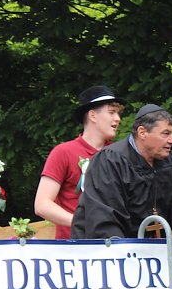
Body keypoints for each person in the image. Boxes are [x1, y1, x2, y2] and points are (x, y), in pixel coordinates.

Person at [70, 104, 172, 239]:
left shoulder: (167, 161)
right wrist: (123, 253)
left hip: (157, 251)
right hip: (114, 251)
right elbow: (104, 217)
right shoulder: (111, 161)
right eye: (166, 133)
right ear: (142, 132)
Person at [35, 86, 126, 239]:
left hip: (114, 247)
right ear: (93, 116)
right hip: (74, 252)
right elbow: (42, 205)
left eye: (118, 113)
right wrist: (80, 223)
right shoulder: (63, 152)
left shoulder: (120, 154)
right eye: (112, 112)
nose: (118, 118)